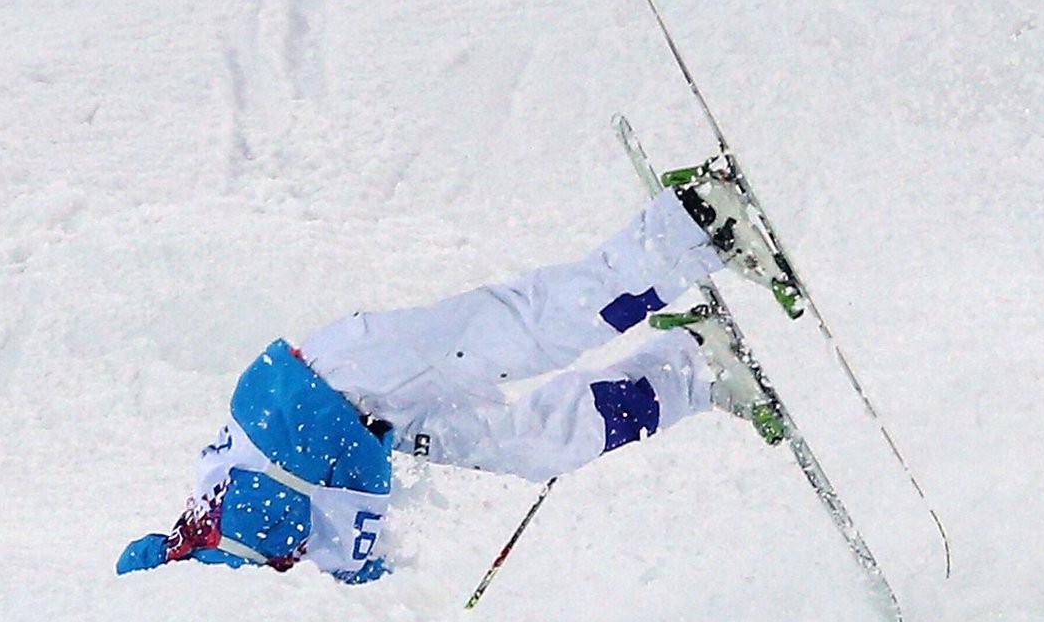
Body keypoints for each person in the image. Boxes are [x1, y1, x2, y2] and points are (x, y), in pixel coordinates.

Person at [115, 173, 791, 583]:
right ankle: (697, 368)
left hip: (341, 385)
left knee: (533, 331)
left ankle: (697, 221)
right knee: (536, 447)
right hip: (376, 430)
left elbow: (154, 560)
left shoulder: (218, 575)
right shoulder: (289, 592)